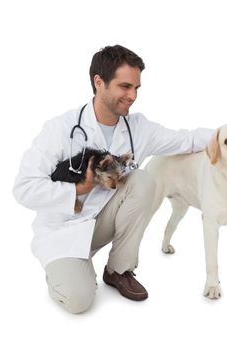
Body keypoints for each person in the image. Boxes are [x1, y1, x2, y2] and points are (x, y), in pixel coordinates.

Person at [13, 45, 214, 314]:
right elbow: (23, 188)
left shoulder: (138, 128)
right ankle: (71, 272)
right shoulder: (61, 128)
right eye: (125, 86)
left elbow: (187, 140)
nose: (132, 96)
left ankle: (118, 270)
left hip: (102, 223)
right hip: (64, 230)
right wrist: (78, 189)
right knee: (77, 301)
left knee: (141, 180)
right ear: (99, 82)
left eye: (137, 88)